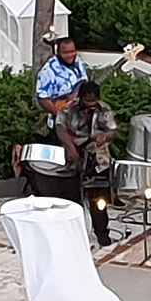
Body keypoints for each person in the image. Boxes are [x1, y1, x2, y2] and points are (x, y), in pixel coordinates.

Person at [55, 81, 117, 247]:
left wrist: (105, 136)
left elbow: (112, 130)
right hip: (74, 152)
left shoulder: (104, 109)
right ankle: (73, 233)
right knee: (72, 196)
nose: (90, 105)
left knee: (98, 198)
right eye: (87, 101)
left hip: (97, 157)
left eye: (93, 102)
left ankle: (102, 232)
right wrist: (70, 148)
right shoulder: (69, 108)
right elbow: (60, 128)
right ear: (81, 98)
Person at [35, 38, 88, 139]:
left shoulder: (78, 63)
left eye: (72, 51)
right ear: (58, 53)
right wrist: (60, 114)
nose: (70, 55)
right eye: (65, 53)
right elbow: (42, 98)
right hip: (61, 125)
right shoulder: (48, 71)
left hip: (80, 121)